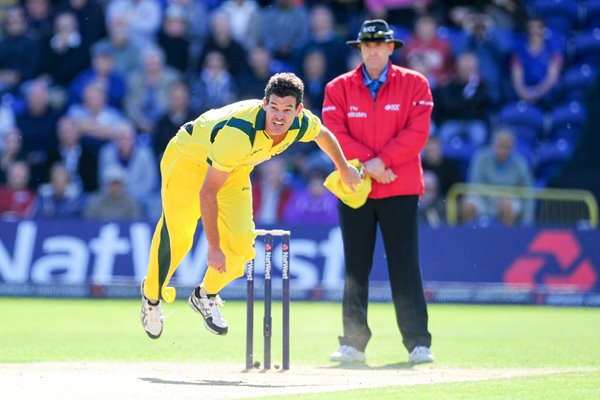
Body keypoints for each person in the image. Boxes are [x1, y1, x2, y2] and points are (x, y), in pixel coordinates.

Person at [139, 72, 361, 339]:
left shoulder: (301, 123)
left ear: (298, 110)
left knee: (243, 248)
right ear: (264, 103)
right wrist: (213, 248)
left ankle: (205, 295)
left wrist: (344, 168)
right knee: (180, 237)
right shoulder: (239, 133)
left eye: (287, 110)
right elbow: (208, 193)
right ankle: (151, 299)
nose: (279, 117)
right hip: (189, 161)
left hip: (235, 168)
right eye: (274, 108)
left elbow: (323, 135)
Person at [322, 19, 434, 364]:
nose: (372, 50)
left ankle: (418, 342)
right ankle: (353, 344)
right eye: (366, 45)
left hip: (398, 186)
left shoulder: (415, 84)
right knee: (356, 266)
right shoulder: (337, 87)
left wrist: (380, 162)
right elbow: (334, 133)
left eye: (378, 44)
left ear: (390, 48)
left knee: (405, 266)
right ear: (360, 49)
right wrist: (373, 164)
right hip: (357, 186)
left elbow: (418, 134)